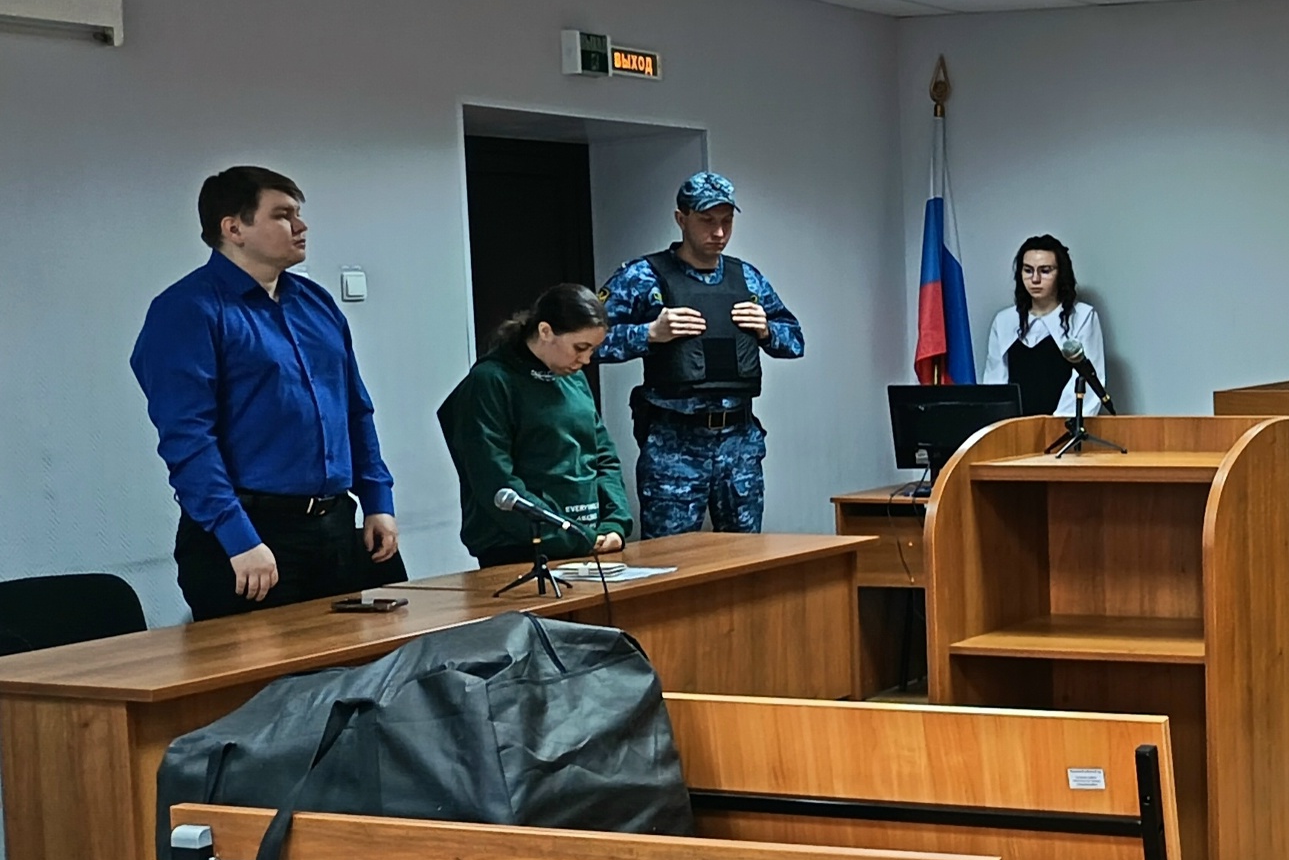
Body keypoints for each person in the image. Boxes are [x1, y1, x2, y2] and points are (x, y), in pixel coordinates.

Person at [131, 166, 405, 620]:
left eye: (298, 213)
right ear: (233, 228)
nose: (301, 226)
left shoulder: (316, 303)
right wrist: (238, 537)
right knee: (268, 668)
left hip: (335, 526)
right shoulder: (186, 310)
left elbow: (355, 410)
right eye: (282, 215)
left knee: (364, 661)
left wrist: (378, 500)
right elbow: (188, 439)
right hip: (250, 534)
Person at [596, 172, 803, 537]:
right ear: (681, 218)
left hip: (739, 443)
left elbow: (795, 341)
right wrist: (649, 333)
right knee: (670, 558)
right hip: (674, 443)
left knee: (744, 556)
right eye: (707, 220)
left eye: (727, 221)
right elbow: (588, 342)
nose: (718, 232)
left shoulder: (747, 278)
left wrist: (767, 330)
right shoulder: (642, 276)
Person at [438, 284, 633, 567]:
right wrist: (575, 536)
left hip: (591, 541)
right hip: (518, 549)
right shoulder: (489, 381)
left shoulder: (573, 378)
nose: (586, 360)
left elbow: (604, 457)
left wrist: (615, 522)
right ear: (545, 331)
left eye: (592, 349)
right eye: (580, 348)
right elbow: (495, 480)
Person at [980, 235, 1109, 416]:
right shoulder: (1004, 321)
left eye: (1045, 271)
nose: (1035, 279)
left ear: (1061, 274)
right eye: (1028, 270)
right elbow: (995, 385)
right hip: (1014, 428)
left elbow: (1089, 385)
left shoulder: (1082, 317)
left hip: (1064, 428)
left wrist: (1055, 426)